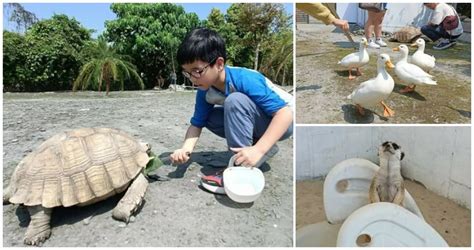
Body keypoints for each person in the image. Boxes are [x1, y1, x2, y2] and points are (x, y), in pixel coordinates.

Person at [170, 28, 293, 193]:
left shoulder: (245, 78)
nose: (192, 78)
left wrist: (259, 150)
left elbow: (284, 113)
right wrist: (185, 149)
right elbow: (197, 124)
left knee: (235, 101)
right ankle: (260, 146)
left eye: (197, 71)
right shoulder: (204, 89)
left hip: (283, 121)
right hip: (259, 122)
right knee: (208, 116)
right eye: (187, 73)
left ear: (219, 64)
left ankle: (239, 170)